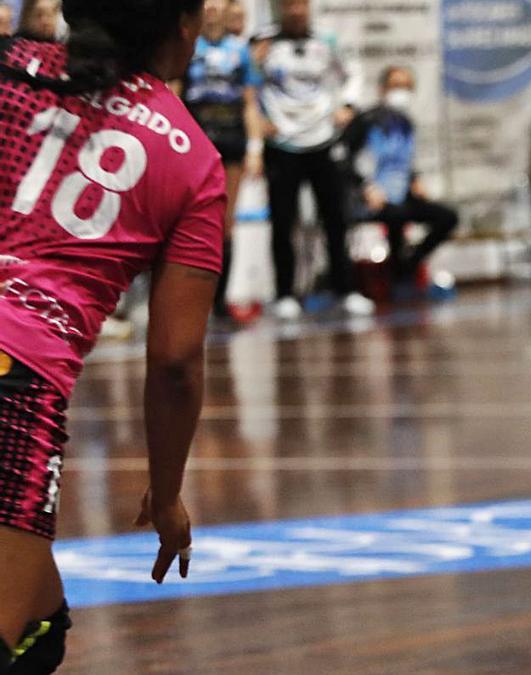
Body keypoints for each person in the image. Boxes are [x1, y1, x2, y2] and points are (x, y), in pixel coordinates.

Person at [0, 0, 222, 671]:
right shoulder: (192, 159)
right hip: (15, 376)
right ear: (183, 26)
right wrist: (167, 490)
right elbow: (176, 361)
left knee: (40, 626)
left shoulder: (10, 70)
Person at [253, 0, 373, 319]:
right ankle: (285, 294)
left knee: (335, 217)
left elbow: (354, 74)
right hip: (282, 142)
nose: (296, 11)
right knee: (283, 221)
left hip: (322, 138)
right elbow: (246, 84)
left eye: (301, 4)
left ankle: (345, 290)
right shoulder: (263, 42)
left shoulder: (327, 41)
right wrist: (258, 118)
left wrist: (347, 105)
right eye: (289, 5)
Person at [180, 0, 263, 320]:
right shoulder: (188, 46)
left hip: (231, 140)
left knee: (225, 224)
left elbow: (250, 103)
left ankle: (219, 303)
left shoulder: (239, 51)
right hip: (196, 139)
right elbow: (174, 93)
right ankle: (188, 302)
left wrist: (256, 148)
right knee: (189, 221)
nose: (212, 11)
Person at [341, 65, 458, 285]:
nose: (401, 92)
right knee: (396, 216)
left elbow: (403, 161)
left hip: (400, 195)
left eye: (406, 87)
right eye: (396, 86)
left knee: (447, 216)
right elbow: (343, 160)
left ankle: (409, 264)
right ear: (382, 89)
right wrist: (366, 188)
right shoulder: (366, 121)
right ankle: (395, 275)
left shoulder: (406, 123)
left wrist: (415, 180)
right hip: (369, 198)